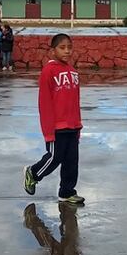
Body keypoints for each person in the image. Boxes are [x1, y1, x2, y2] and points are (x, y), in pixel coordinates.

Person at [23, 34, 85, 206]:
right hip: (56, 127)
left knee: (71, 162)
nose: (67, 51)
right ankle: (33, 173)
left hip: (73, 126)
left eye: (69, 47)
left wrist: (78, 126)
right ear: (53, 50)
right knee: (54, 158)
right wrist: (48, 131)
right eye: (62, 47)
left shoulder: (73, 72)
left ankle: (67, 192)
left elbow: (75, 101)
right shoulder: (49, 71)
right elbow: (45, 103)